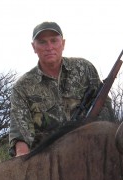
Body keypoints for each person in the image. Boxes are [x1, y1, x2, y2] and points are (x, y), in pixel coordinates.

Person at [9, 21, 114, 157]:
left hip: (91, 149)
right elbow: (20, 134)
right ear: (33, 47)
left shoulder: (84, 68)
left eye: (54, 41)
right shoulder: (22, 87)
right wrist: (22, 159)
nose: (49, 47)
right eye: (42, 42)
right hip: (46, 159)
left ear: (63, 44)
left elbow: (103, 104)